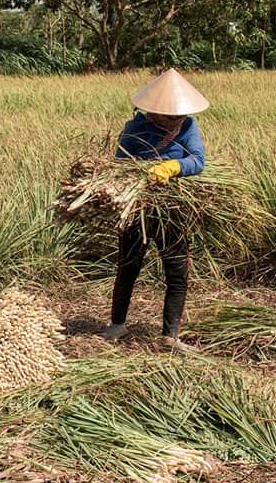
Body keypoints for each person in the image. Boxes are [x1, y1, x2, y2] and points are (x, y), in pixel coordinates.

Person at [102, 69, 208, 351]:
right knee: (128, 264)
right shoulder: (135, 128)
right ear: (153, 110)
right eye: (168, 115)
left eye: (177, 115)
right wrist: (140, 173)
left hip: (173, 206)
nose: (175, 119)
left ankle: (170, 335)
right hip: (137, 204)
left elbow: (198, 160)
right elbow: (120, 163)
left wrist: (173, 167)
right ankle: (117, 324)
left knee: (176, 269)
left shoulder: (188, 127)